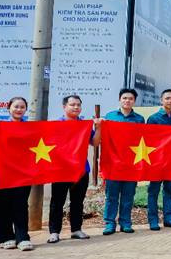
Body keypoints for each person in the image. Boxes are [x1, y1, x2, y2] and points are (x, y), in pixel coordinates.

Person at [92, 88, 145, 235]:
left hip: (132, 163)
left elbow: (143, 139)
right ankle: (109, 223)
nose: (127, 101)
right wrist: (99, 125)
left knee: (128, 196)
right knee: (111, 196)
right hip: (113, 162)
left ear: (134, 101)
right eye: (124, 98)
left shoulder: (139, 119)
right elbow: (100, 138)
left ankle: (125, 222)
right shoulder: (109, 117)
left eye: (130, 99)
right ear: (120, 100)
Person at [0, 96, 34, 251]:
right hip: (3, 168)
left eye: (22, 107)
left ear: (25, 110)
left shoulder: (30, 127)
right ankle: (6, 237)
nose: (19, 110)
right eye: (16, 106)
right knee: (1, 202)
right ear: (9, 108)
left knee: (20, 203)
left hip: (23, 170)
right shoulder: (0, 125)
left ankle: (22, 237)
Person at [48, 95, 94, 243]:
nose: (76, 107)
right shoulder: (55, 125)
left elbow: (95, 142)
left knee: (77, 201)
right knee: (57, 202)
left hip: (81, 169)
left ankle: (76, 229)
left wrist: (98, 128)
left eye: (78, 105)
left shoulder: (85, 125)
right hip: (60, 170)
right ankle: (54, 232)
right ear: (64, 107)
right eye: (72, 104)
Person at [145, 89, 171, 231]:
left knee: (169, 191)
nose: (170, 101)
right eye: (167, 98)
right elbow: (148, 140)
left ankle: (168, 218)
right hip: (156, 160)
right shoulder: (153, 119)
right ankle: (153, 220)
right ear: (161, 100)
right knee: (153, 191)